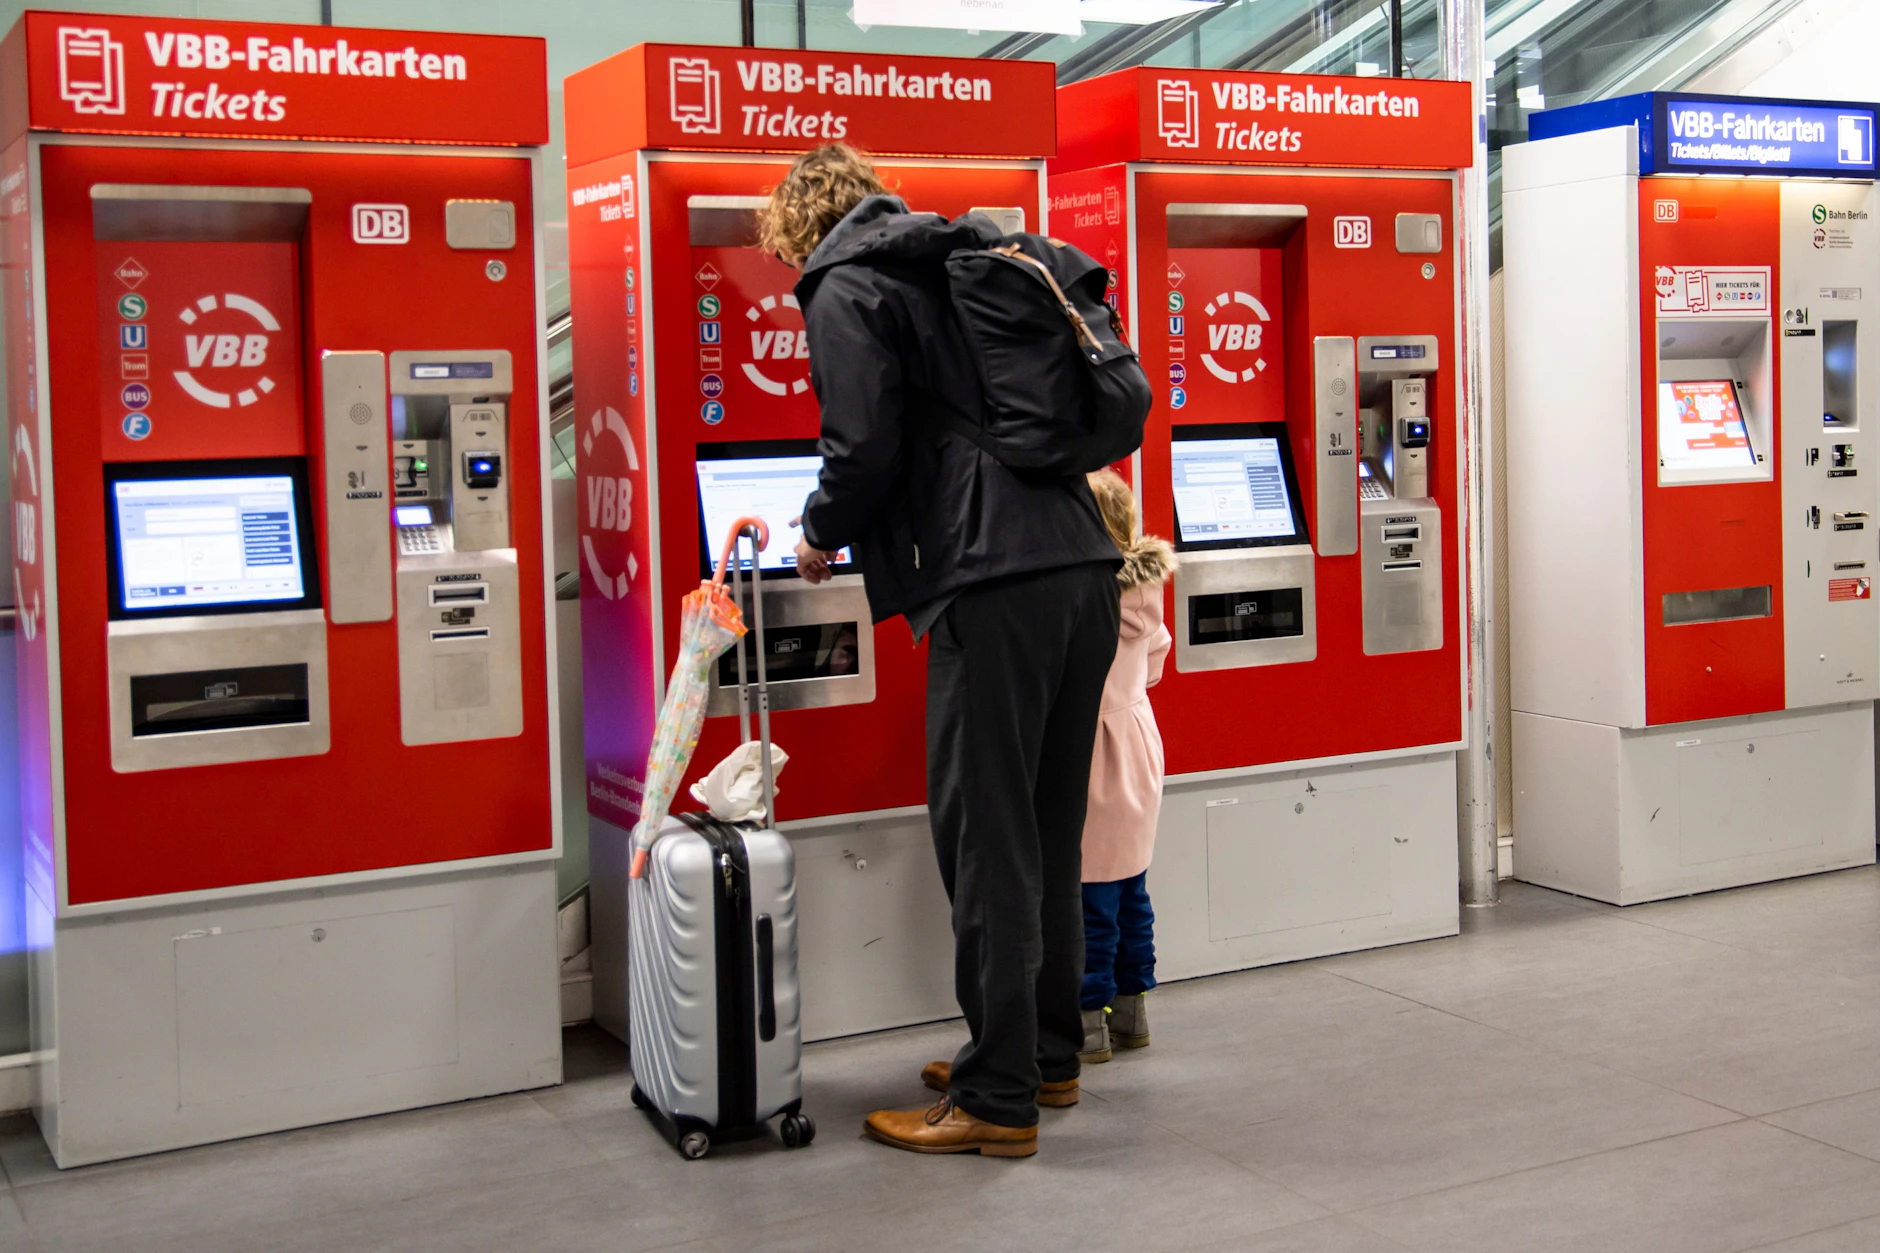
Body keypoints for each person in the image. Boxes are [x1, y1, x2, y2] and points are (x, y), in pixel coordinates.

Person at [759, 144, 1122, 1159]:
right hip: (1078, 561)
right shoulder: (955, 255)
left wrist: (818, 529)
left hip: (989, 577)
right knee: (1046, 828)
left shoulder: (846, 282)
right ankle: (1044, 1051)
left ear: (793, 226)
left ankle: (995, 1095)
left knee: (985, 838)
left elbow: (860, 445)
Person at [1075, 470, 1174, 1065]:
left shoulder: (1085, 598)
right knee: (1131, 885)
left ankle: (1088, 1022)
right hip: (1138, 740)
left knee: (1089, 896)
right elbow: (1156, 659)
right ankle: (1133, 1009)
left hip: (1092, 752)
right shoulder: (1145, 591)